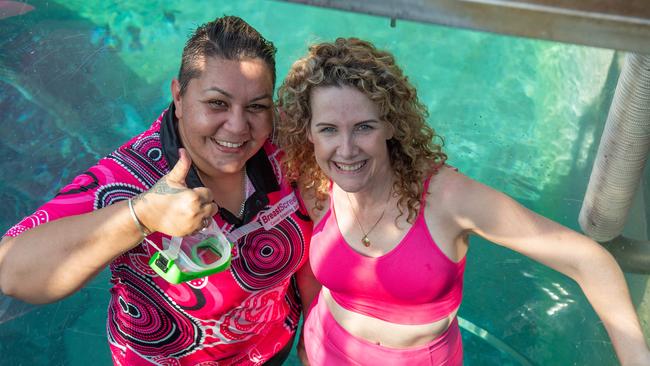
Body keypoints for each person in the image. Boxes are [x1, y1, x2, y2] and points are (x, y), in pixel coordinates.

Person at [276, 37, 650, 365]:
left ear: (390, 125)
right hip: (326, 351)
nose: (346, 149)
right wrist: (308, 338)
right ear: (308, 131)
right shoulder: (316, 181)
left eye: (364, 127)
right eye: (328, 129)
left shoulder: (447, 197)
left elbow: (589, 261)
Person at [0, 16, 318, 365]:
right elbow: (10, 271)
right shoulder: (131, 177)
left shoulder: (283, 146)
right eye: (217, 103)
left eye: (256, 106)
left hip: (270, 348)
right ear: (179, 97)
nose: (238, 126)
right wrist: (141, 215)